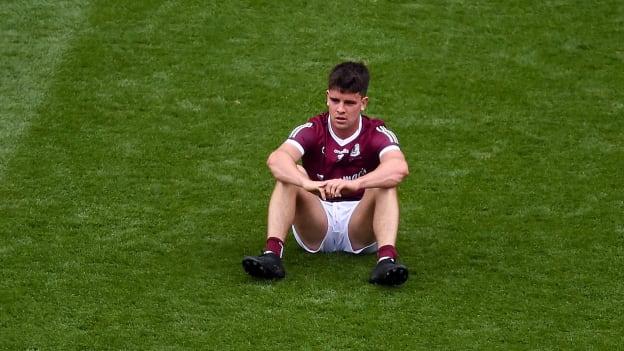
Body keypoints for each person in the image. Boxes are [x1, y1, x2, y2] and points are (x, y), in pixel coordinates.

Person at [242, 61, 410, 285]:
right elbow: (277, 159)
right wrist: (307, 183)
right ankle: (272, 255)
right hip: (317, 221)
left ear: (363, 103)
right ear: (327, 97)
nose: (340, 109)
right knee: (292, 174)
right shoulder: (313, 128)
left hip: (359, 225)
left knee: (383, 183)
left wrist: (357, 183)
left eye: (349, 102)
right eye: (335, 100)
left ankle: (386, 260)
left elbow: (399, 168)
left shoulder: (376, 132)